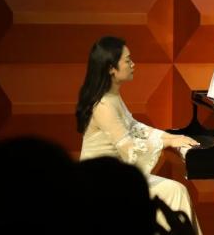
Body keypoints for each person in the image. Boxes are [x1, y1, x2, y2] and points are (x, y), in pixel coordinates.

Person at [76, 36, 202, 234]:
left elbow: (136, 128)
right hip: (101, 184)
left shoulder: (113, 96)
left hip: (115, 176)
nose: (133, 64)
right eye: (128, 60)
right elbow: (129, 148)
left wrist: (171, 138)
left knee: (175, 190)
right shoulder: (103, 104)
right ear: (111, 68)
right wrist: (167, 142)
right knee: (175, 192)